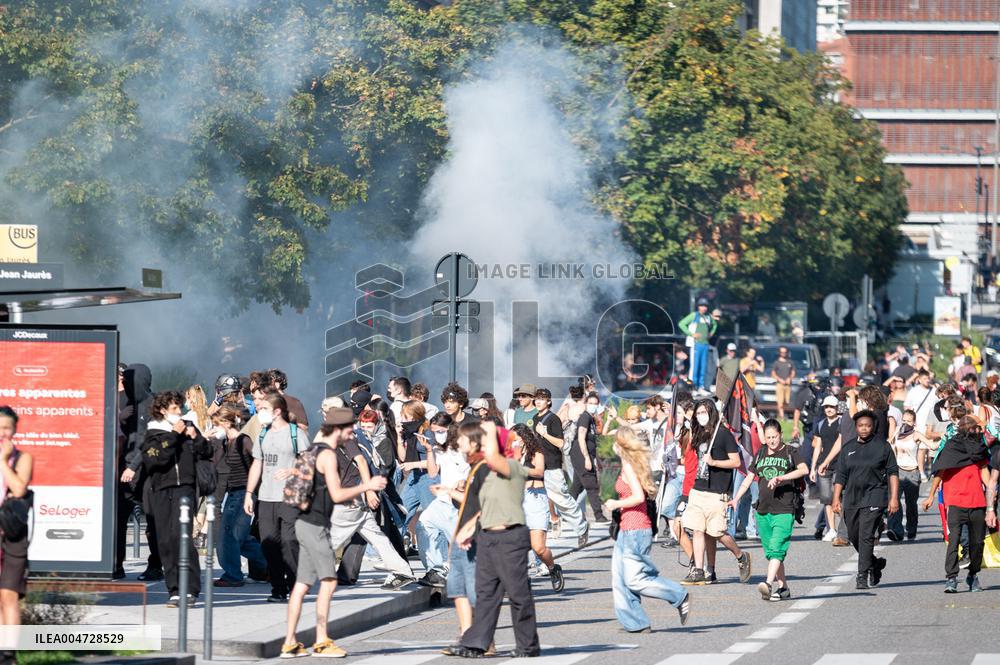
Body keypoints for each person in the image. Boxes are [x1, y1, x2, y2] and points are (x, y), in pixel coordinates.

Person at [279, 408, 391, 659]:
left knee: (301, 584)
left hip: (303, 522)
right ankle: (321, 641)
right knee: (329, 582)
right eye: (350, 430)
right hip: (316, 526)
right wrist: (367, 486)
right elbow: (337, 493)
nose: (352, 435)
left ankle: (290, 643)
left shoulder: (313, 449)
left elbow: (322, 492)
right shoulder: (328, 455)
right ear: (338, 429)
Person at [444, 421, 541, 659]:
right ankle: (476, 643)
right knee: (486, 594)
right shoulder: (486, 472)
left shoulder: (513, 467)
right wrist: (469, 528)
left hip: (510, 538)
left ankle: (527, 646)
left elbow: (493, 457)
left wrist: (487, 427)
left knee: (518, 594)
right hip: (488, 537)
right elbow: (482, 507)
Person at [606, 427, 691, 631]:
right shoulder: (631, 463)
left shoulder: (629, 466)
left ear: (622, 444)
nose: (613, 446)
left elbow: (638, 497)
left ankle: (678, 594)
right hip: (626, 529)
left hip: (636, 529)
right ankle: (635, 622)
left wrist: (616, 503)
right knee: (619, 579)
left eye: (615, 441)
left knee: (635, 580)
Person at [141, 391, 212, 606]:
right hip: (162, 489)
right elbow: (155, 459)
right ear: (163, 410)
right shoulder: (153, 431)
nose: (179, 412)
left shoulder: (189, 426)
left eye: (180, 407)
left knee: (182, 537)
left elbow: (207, 451)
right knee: (165, 539)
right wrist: (173, 434)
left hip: (185, 488)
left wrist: (196, 437)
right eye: (174, 408)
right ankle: (173, 589)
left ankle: (190, 589)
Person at [730, 418, 807, 601]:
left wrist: (782, 477)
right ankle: (784, 588)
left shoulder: (790, 451)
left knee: (777, 549)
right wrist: (736, 499)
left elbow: (803, 469)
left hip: (785, 509)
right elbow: (749, 477)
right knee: (772, 553)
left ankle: (768, 583)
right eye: (768, 437)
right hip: (763, 511)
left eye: (775, 437)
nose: (772, 441)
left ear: (780, 435)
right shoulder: (761, 452)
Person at [681, 399, 752, 585]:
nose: (700, 416)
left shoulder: (723, 434)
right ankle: (700, 570)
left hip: (718, 491)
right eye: (698, 413)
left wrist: (714, 462)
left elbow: (736, 462)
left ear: (711, 413)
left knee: (717, 532)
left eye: (703, 412)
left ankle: (741, 555)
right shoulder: (698, 434)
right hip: (698, 488)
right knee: (698, 529)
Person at [922, 416, 996, 593]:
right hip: (955, 502)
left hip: (977, 502)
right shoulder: (951, 447)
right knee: (953, 541)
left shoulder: (979, 448)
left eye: (975, 428)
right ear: (962, 429)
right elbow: (940, 473)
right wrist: (930, 496)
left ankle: (973, 574)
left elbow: (985, 475)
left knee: (977, 543)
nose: (974, 431)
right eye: (971, 428)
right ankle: (951, 578)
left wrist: (991, 495)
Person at [244, 390, 305, 603]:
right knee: (269, 544)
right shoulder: (263, 434)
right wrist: (249, 494)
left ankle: (295, 585)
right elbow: (257, 464)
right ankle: (278, 588)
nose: (259, 412)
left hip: (290, 496)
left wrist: (292, 471)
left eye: (264, 409)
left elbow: (311, 464)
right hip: (266, 497)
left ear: (277, 411)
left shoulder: (296, 434)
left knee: (289, 542)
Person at [832, 410, 900, 590]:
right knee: (854, 536)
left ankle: (862, 576)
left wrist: (894, 498)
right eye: (860, 425)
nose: (864, 429)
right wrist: (836, 498)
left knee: (866, 536)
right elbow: (841, 475)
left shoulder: (883, 447)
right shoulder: (848, 448)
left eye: (868, 425)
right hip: (852, 498)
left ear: (873, 427)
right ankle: (874, 563)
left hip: (875, 496)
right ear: (855, 427)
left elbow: (893, 473)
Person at [212, 405, 268, 587]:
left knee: (228, 535)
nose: (215, 428)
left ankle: (233, 575)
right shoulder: (225, 442)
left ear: (227, 423)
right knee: (241, 539)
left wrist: (253, 491)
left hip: (243, 493)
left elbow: (258, 461)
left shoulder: (243, 440)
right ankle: (271, 564)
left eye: (217, 424)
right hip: (233, 493)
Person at [120, 363, 162, 581]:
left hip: (147, 472)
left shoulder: (152, 405)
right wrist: (122, 418)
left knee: (153, 522)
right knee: (120, 517)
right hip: (127, 470)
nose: (124, 384)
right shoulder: (129, 404)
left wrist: (133, 466)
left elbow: (148, 440)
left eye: (128, 380)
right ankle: (116, 563)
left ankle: (156, 565)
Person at [418, 413, 468, 589]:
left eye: (440, 431)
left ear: (449, 428)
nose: (437, 435)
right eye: (434, 432)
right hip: (442, 500)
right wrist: (429, 450)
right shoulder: (440, 448)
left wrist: (464, 482)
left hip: (459, 502)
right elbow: (433, 473)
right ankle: (436, 570)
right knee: (424, 524)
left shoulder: (462, 447)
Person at [534, 388, 588, 547]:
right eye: (537, 398)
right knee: (538, 502)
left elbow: (561, 443)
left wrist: (544, 434)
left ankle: (582, 527)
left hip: (552, 466)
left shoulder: (553, 419)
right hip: (539, 466)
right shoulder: (535, 418)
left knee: (562, 501)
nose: (538, 401)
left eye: (542, 399)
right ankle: (540, 539)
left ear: (549, 401)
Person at [513, 424, 564, 590]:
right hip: (517, 500)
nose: (513, 441)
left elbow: (539, 472)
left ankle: (553, 568)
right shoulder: (511, 454)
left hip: (535, 499)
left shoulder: (536, 453)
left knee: (539, 548)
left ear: (523, 438)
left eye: (515, 438)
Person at [0, 407, 32, 627]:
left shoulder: (23, 458)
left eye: (7, 428)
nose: (2, 433)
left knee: (8, 597)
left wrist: (3, 461)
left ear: (14, 430)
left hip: (12, 534)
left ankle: (9, 647)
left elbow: (19, 489)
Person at [886, 408, 925, 542]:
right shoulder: (897, 431)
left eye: (909, 421)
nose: (905, 423)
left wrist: (922, 471)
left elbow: (927, 448)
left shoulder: (917, 434)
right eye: (904, 420)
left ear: (914, 423)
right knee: (894, 499)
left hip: (913, 472)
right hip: (897, 470)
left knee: (911, 504)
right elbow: (889, 443)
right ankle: (896, 529)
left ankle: (911, 528)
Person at [569, 388, 607, 524]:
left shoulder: (591, 419)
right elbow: (581, 437)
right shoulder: (585, 417)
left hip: (585, 454)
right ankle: (599, 516)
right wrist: (586, 458)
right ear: (585, 404)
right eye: (590, 403)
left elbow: (599, 435)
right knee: (591, 485)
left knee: (577, 487)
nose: (593, 406)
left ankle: (565, 512)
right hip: (581, 454)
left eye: (595, 403)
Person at [810, 396, 842, 541]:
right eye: (826, 407)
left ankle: (846, 528)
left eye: (832, 407)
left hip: (839, 465)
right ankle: (832, 529)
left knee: (838, 498)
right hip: (823, 467)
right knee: (826, 499)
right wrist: (813, 468)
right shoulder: (821, 424)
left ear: (837, 408)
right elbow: (817, 446)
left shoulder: (841, 422)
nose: (829, 409)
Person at [678, 298, 717, 392]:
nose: (704, 308)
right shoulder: (694, 315)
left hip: (705, 344)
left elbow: (715, 325)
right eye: (702, 306)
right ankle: (692, 387)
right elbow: (681, 324)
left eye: (705, 306)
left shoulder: (708, 317)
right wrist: (691, 334)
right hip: (696, 345)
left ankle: (701, 387)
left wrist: (711, 333)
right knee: (694, 367)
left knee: (703, 367)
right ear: (698, 306)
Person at [266, 369, 309, 434]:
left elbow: (303, 428)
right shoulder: (265, 402)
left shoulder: (293, 402)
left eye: (268, 383)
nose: (265, 387)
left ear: (277, 385)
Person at [771, 346, 795, 420]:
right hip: (780, 384)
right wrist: (779, 379)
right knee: (780, 401)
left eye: (784, 352)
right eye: (781, 352)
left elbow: (793, 372)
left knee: (787, 401)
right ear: (779, 353)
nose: (783, 353)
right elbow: (773, 373)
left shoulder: (790, 362)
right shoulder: (776, 363)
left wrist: (789, 378)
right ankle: (782, 416)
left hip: (788, 384)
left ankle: (781, 414)